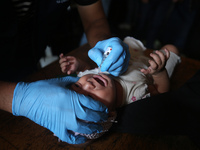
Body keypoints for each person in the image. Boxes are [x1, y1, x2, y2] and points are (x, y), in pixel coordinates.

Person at [59, 36, 181, 140]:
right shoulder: (136, 97)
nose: (88, 84)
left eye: (77, 85)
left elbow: (87, 69)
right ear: (109, 114)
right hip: (152, 69)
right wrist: (159, 72)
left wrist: (79, 65)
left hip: (132, 54)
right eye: (90, 96)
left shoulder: (92, 76)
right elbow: (161, 92)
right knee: (171, 48)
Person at [0, 0, 130, 81]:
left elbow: (94, 21)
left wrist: (104, 44)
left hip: (31, 56)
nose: (90, 86)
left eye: (79, 86)